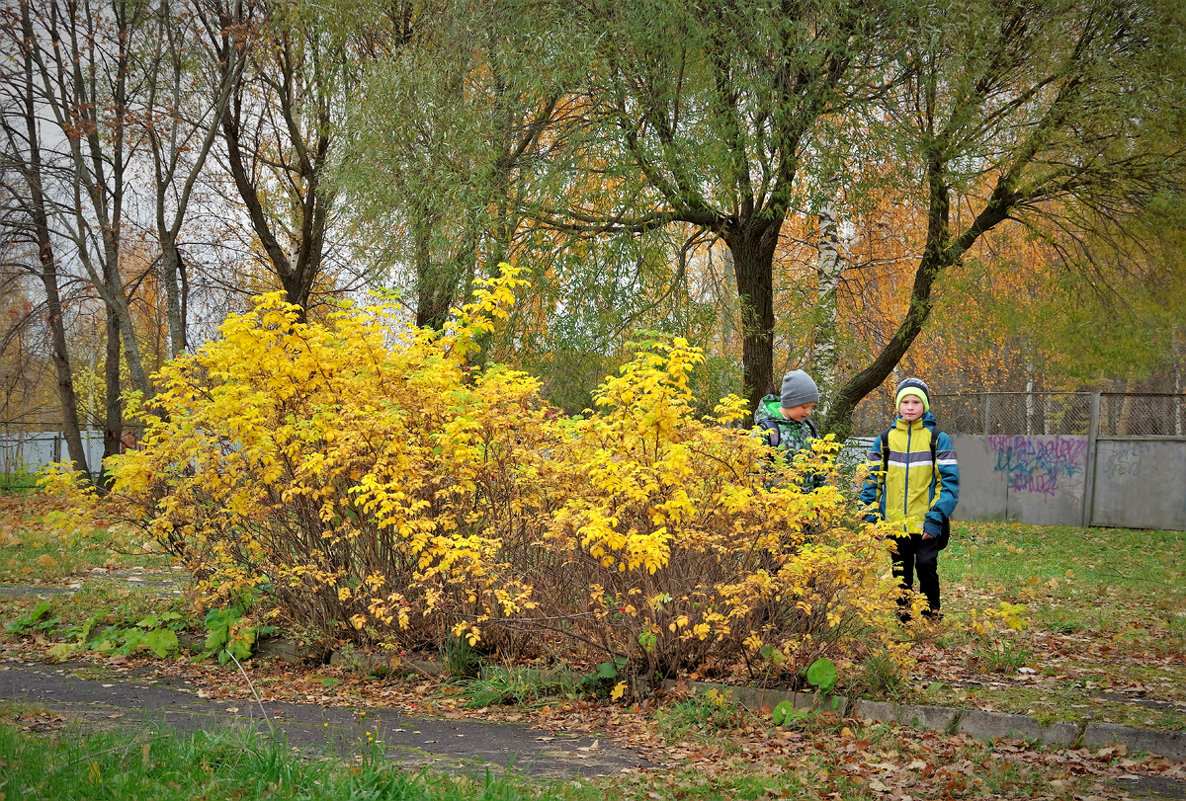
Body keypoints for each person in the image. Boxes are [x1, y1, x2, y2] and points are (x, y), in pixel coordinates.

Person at [860, 377, 959, 621]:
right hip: (895, 524)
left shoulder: (938, 439)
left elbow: (949, 484)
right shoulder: (885, 440)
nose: (910, 406)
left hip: (926, 523)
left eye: (916, 401)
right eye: (905, 401)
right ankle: (904, 617)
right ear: (898, 405)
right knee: (900, 572)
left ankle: (930, 615)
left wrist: (935, 517)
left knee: (926, 566)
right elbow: (872, 481)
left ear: (924, 405)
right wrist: (871, 516)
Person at [753, 369, 820, 485]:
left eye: (811, 407)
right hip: (778, 501)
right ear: (790, 401)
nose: (808, 411)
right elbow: (756, 478)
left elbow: (821, 472)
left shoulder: (809, 429)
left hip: (810, 502)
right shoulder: (766, 431)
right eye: (804, 406)